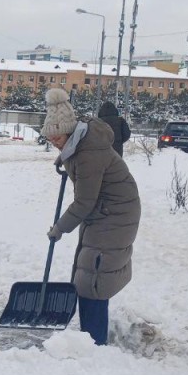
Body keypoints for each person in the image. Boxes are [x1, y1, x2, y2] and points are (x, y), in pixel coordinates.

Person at [41, 89, 140, 345]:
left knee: (95, 276)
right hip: (105, 210)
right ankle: (90, 338)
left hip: (114, 214)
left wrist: (60, 228)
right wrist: (63, 158)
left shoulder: (87, 154)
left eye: (57, 137)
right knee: (88, 273)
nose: (54, 141)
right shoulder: (80, 142)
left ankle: (94, 342)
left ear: (69, 130)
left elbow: (85, 202)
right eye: (50, 137)